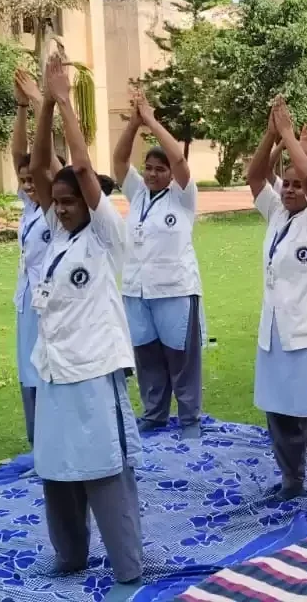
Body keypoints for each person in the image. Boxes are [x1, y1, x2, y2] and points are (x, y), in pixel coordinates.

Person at [29, 50, 143, 601]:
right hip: (54, 370)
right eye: (57, 202)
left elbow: (76, 166)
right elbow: (40, 168)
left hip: (94, 371)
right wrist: (45, 106)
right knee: (56, 470)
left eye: (72, 201)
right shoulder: (54, 236)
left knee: (103, 470)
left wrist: (67, 103)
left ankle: (127, 569)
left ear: (91, 201)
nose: (62, 207)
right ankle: (69, 555)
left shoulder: (104, 235)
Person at [246, 97, 307, 501]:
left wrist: (291, 138)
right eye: (288, 184)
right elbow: (255, 176)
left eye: (297, 185)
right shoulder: (278, 213)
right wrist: (271, 135)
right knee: (278, 412)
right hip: (274, 331)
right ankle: (291, 479)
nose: (291, 190)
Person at [112, 89, 205, 436]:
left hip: (174, 289)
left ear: (169, 173)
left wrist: (151, 121)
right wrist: (133, 124)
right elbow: (120, 161)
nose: (152, 174)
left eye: (159, 169)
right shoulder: (137, 193)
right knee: (147, 355)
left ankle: (190, 419)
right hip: (137, 290)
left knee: (181, 358)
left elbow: (179, 159)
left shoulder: (182, 196)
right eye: (148, 168)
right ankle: (154, 414)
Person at [10, 68, 60, 444]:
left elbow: (43, 160)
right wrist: (21, 107)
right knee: (28, 370)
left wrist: (43, 101)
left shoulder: (54, 209)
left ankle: (55, 439)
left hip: (56, 301)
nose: (28, 185)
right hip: (28, 298)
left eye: (34, 180)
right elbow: (19, 156)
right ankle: (38, 443)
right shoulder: (29, 208)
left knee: (50, 369)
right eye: (24, 180)